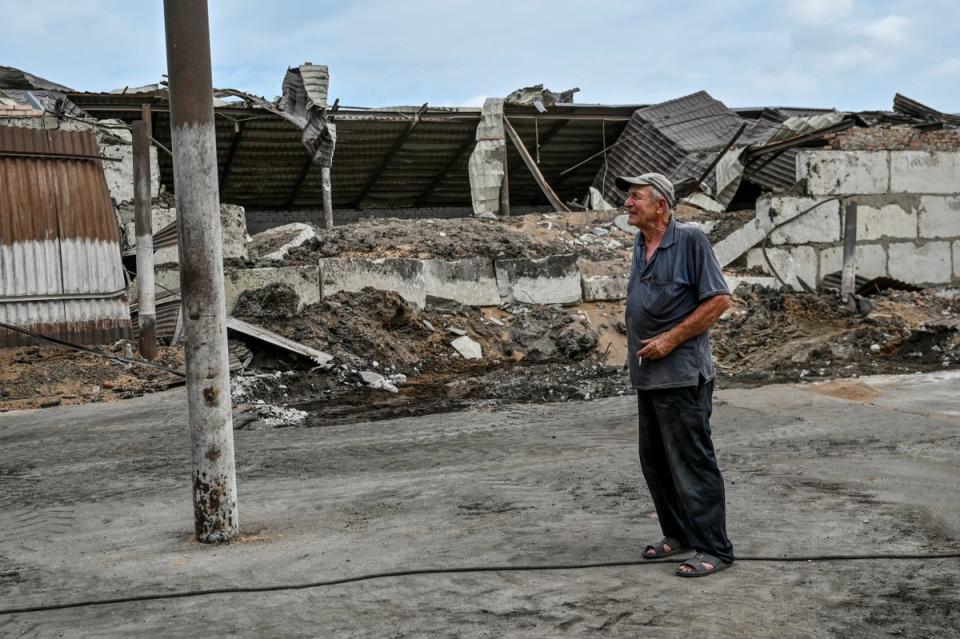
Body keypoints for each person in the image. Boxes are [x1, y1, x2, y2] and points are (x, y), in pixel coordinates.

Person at [619, 172, 735, 577]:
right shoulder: (640, 243)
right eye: (628, 197)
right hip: (648, 376)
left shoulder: (690, 240)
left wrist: (669, 340)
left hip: (682, 375)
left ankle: (714, 549)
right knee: (655, 461)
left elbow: (719, 300)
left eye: (636, 197)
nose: (628, 204)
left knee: (691, 461)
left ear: (661, 206)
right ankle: (680, 534)